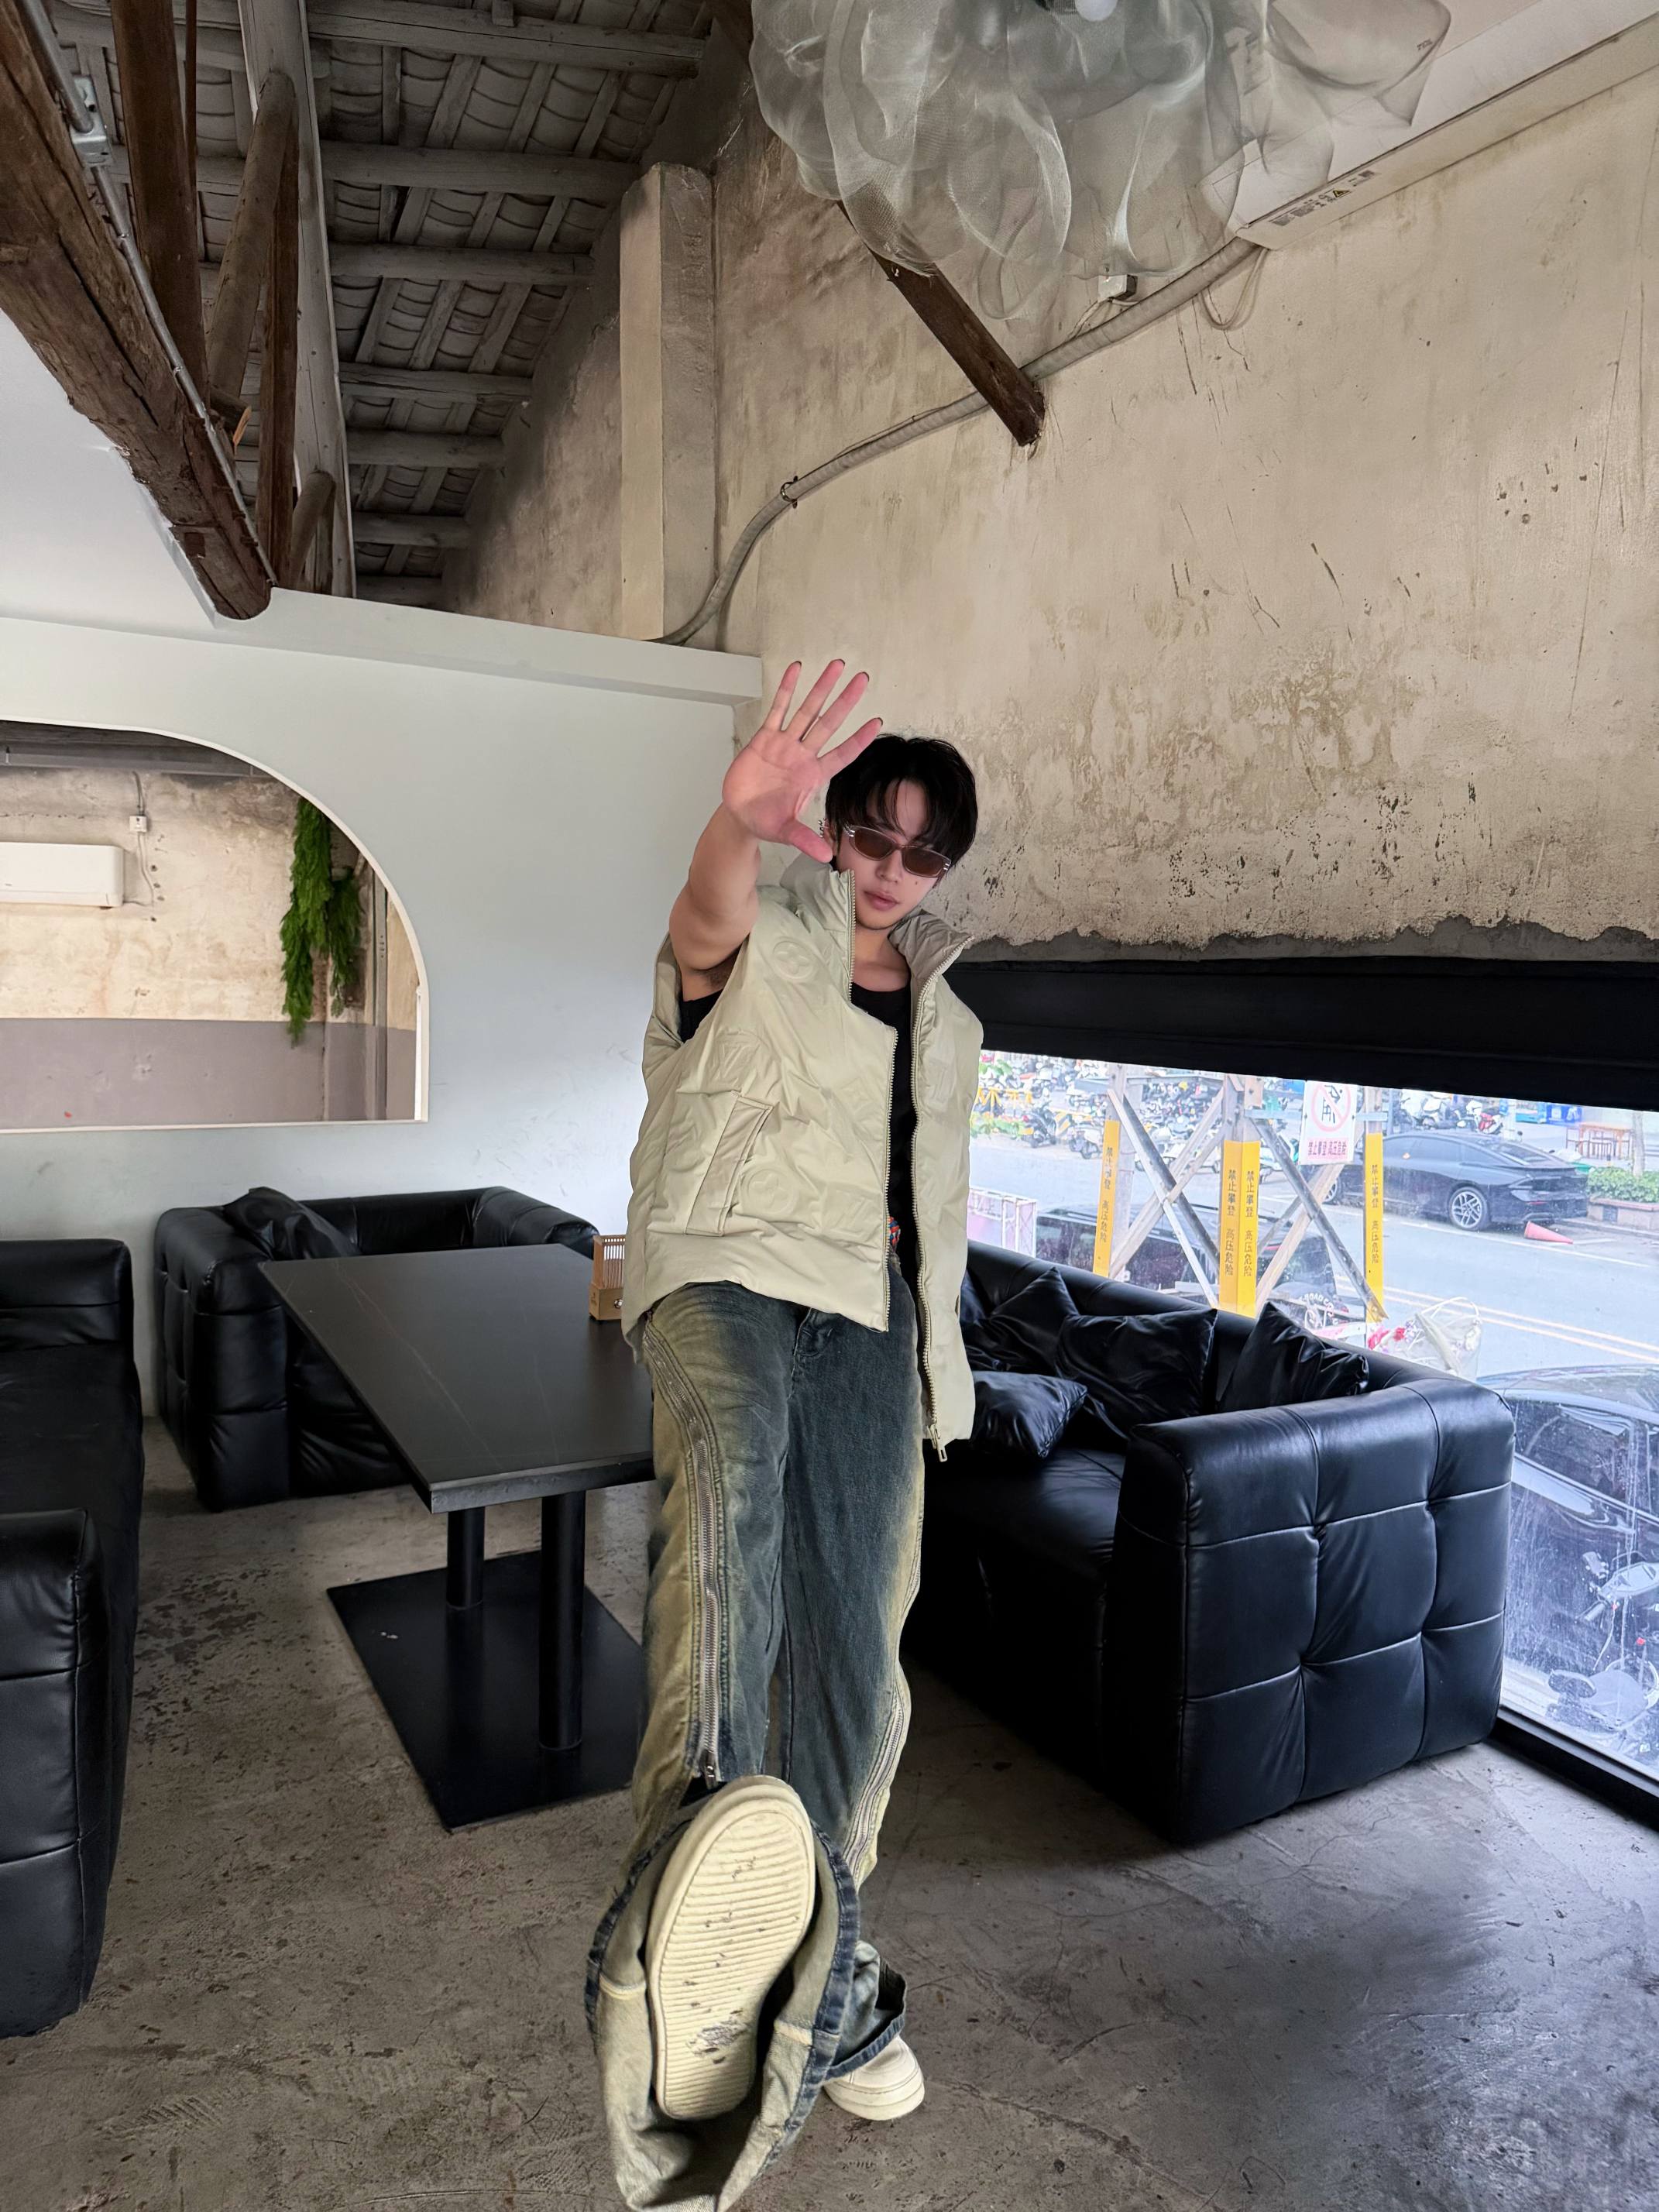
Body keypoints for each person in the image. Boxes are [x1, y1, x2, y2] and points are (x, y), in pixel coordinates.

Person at [586, 658, 983, 2211]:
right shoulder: (770, 919)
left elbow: (929, 1208)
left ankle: (819, 1963)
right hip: (724, 1264)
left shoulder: (952, 1023)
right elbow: (700, 932)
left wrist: (935, 1346)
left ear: (943, 869)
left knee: (860, 1647)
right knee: (730, 1510)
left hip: (872, 1313)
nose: (889, 868)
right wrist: (733, 823)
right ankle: (688, 1921)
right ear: (835, 830)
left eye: (920, 851)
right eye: (870, 833)